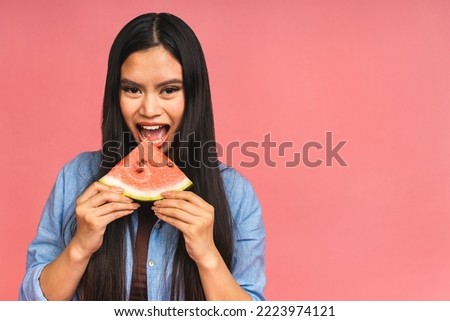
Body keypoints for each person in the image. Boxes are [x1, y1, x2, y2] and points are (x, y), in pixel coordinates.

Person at [19, 12, 265, 301]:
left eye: (169, 90)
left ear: (193, 95)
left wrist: (207, 255)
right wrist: (80, 246)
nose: (149, 109)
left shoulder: (236, 194)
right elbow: (29, 307)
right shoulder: (74, 178)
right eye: (132, 89)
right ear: (116, 94)